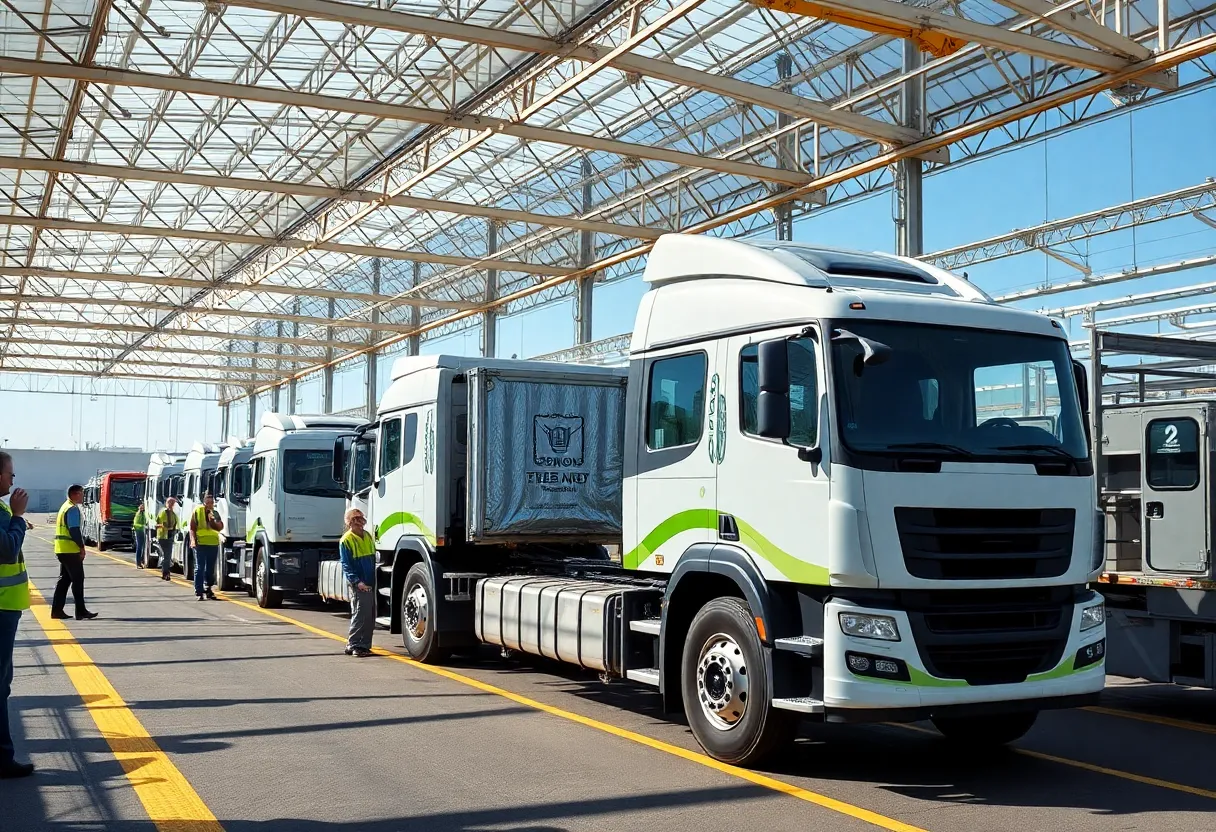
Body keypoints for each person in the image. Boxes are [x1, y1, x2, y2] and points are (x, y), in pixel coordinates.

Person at [0, 452, 33, 778]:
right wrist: (18, 518)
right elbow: (7, 549)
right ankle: (2, 757)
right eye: (10, 474)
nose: (13, 480)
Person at [52, 486, 97, 621]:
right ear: (75, 494)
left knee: (65, 580)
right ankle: (81, 611)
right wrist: (81, 547)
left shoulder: (64, 506)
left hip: (62, 549)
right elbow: (74, 530)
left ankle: (57, 610)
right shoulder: (72, 509)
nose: (83, 497)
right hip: (70, 550)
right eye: (82, 494)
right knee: (78, 579)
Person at [338, 508, 376, 657]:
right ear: (350, 523)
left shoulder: (367, 536)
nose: (360, 523)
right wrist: (356, 582)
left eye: (361, 519)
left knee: (369, 616)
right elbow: (346, 565)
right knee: (360, 615)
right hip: (359, 583)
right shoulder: (346, 540)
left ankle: (364, 645)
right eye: (356, 520)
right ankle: (353, 644)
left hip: (369, 581)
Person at [189, 492, 223, 601]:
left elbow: (220, 527)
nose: (210, 504)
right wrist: (193, 540)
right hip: (200, 544)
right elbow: (192, 528)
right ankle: (199, 591)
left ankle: (208, 589)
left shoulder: (215, 513)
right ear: (204, 502)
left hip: (213, 544)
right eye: (208, 502)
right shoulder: (197, 512)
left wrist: (212, 521)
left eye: (212, 503)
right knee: (199, 568)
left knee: (210, 569)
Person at [156, 497, 179, 582]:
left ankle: (164, 573)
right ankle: (166, 573)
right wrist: (166, 527)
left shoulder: (173, 513)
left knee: (166, 556)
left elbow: (175, 524)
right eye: (170, 503)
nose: (172, 504)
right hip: (163, 537)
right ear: (167, 503)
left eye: (173, 503)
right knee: (167, 556)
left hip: (169, 536)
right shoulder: (164, 512)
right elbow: (162, 523)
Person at [132, 503, 147, 568]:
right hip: (138, 532)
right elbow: (135, 524)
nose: (142, 509)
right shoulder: (138, 514)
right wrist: (143, 526)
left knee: (142, 547)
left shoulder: (143, 514)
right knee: (139, 547)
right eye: (142, 508)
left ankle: (141, 562)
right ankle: (138, 563)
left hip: (142, 531)